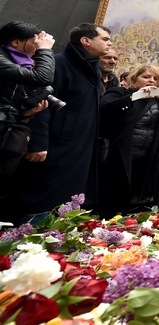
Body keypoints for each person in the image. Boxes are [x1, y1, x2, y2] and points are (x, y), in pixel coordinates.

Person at [19, 23, 111, 222]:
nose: (109, 43)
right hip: (54, 146)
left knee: (67, 203)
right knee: (43, 197)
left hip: (79, 147)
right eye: (105, 39)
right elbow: (40, 104)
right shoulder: (59, 63)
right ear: (85, 40)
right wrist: (38, 143)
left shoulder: (93, 68)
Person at [96, 64, 159, 216]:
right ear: (134, 79)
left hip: (145, 158)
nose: (151, 81)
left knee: (132, 203)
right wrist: (137, 96)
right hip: (118, 156)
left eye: (155, 78)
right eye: (146, 77)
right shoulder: (120, 92)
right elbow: (105, 110)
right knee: (108, 202)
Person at [0, 21, 54, 186]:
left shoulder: (21, 64)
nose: (38, 45)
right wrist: (44, 50)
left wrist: (25, 113)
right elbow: (42, 77)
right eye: (35, 41)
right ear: (16, 42)